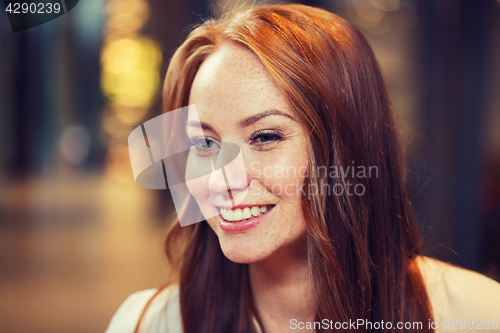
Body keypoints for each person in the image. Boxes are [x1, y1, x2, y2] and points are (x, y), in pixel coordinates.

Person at [106, 4, 500, 333]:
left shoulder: (477, 316)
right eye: (203, 143)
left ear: (347, 148)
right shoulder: (144, 323)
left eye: (264, 137)